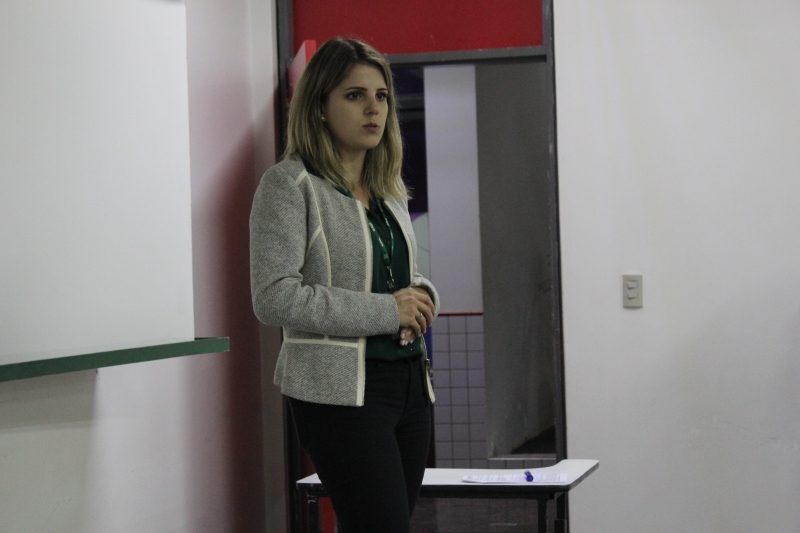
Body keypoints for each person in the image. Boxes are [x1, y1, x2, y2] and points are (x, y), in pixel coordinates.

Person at [249, 37, 439, 532]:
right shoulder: (289, 185)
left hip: (409, 385)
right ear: (319, 106)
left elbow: (400, 279)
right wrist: (388, 311)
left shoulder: (387, 189)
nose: (373, 109)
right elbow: (273, 296)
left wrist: (423, 297)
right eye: (355, 95)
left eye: (381, 96)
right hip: (340, 394)